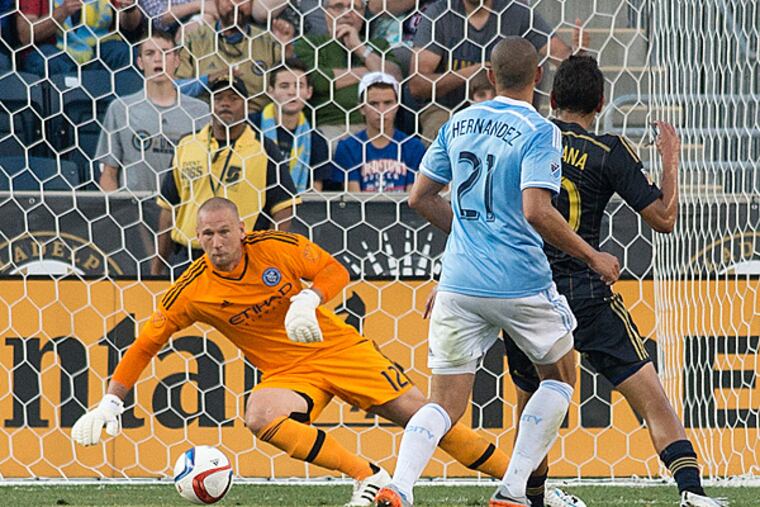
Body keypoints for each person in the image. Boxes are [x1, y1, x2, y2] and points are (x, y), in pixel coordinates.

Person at [72, 197, 518, 507]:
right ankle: (369, 476)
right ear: (197, 237)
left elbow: (332, 269)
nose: (215, 242)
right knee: (260, 413)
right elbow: (148, 341)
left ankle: (521, 482)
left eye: (224, 231)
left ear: (242, 230)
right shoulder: (192, 289)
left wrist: (310, 299)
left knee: (425, 416)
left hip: (339, 349)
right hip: (289, 371)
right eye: (206, 234)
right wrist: (112, 399)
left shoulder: (274, 248)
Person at [374, 37, 620, 507]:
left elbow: (420, 197)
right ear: (538, 79)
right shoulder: (541, 130)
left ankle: (399, 485)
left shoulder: (458, 121)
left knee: (444, 402)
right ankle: (512, 489)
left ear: (489, 76)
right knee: (562, 374)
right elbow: (537, 211)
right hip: (520, 281)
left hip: (459, 282)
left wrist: (469, 231)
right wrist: (593, 256)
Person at [501, 55, 724, 507]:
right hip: (585, 292)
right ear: (601, 102)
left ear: (553, 97)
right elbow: (663, 219)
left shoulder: (525, 138)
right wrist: (671, 162)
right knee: (651, 398)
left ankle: (532, 497)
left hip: (527, 293)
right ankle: (692, 494)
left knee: (533, 410)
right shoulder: (610, 151)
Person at [152, 77, 299, 277]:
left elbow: (284, 208)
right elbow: (169, 209)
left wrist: (266, 256)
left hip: (240, 258)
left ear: (246, 106)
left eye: (233, 98)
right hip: (188, 257)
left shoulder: (263, 149)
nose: (225, 103)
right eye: (218, 98)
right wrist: (157, 267)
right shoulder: (187, 145)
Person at [408, 0, 577, 143]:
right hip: (448, 110)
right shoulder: (439, 13)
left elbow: (561, 56)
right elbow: (417, 84)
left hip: (508, 112)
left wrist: (578, 52)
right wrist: (474, 72)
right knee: (441, 133)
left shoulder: (516, 11)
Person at [96, 29, 210, 194]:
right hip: (135, 213)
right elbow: (109, 174)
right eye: (150, 53)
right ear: (140, 62)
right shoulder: (121, 109)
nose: (158, 59)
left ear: (177, 60)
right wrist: (115, 216)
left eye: (165, 53)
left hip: (183, 213)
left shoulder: (199, 111)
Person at [293, 0, 402, 146]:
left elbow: (395, 79)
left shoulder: (378, 45)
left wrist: (359, 48)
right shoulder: (308, 44)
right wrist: (371, 70)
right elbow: (318, 81)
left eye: (354, 8)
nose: (347, 13)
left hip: (378, 130)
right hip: (329, 129)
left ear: (363, 14)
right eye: (338, 6)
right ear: (325, 12)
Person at [174, 0, 280, 112]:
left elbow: (287, 85)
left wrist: (287, 53)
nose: (235, 5)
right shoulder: (194, 39)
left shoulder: (269, 41)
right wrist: (208, 79)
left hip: (256, 121)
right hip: (206, 119)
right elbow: (175, 88)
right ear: (216, 3)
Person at [248, 59, 333, 192]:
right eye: (284, 86)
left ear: (309, 92)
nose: (292, 92)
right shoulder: (250, 127)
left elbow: (316, 194)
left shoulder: (316, 139)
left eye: (299, 86)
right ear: (270, 91)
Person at [332, 72, 424, 192]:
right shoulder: (348, 148)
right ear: (361, 108)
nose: (381, 110)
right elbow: (355, 199)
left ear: (397, 106)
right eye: (374, 104)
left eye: (388, 103)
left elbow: (411, 199)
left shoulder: (414, 147)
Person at [16, 0, 143, 75]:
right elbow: (26, 35)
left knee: (127, 54)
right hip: (58, 54)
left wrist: (130, 10)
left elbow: (129, 26)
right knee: (43, 59)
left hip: (100, 51)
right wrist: (62, 12)